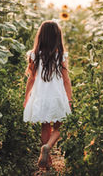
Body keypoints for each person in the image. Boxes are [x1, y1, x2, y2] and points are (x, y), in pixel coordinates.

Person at [23, 20, 72, 169]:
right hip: (57, 97)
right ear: (57, 37)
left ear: (41, 36)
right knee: (59, 127)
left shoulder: (34, 55)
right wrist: (69, 99)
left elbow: (31, 79)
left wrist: (26, 98)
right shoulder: (61, 56)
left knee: (45, 127)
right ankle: (48, 147)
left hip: (41, 96)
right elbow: (66, 80)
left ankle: (46, 160)